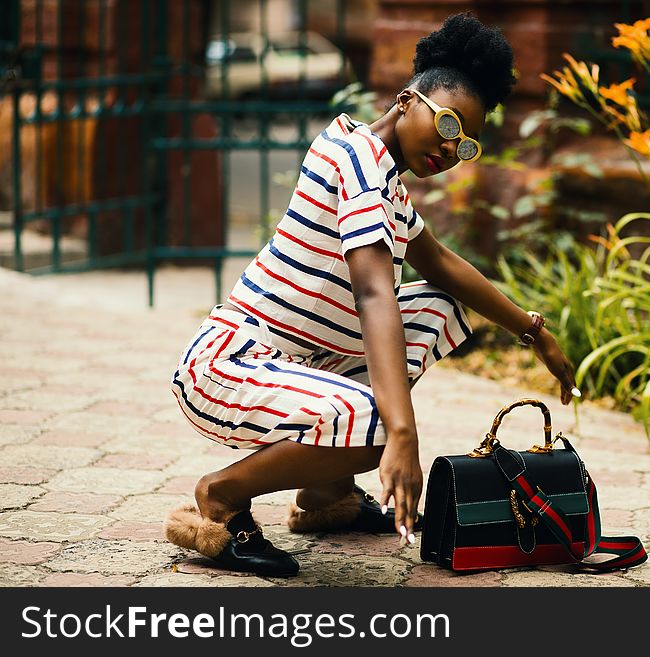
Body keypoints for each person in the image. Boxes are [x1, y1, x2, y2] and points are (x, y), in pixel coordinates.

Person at [163, 12, 579, 577]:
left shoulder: (384, 180)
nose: (452, 149)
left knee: (438, 305)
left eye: (467, 145)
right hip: (230, 364)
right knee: (378, 423)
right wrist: (402, 434)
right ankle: (220, 497)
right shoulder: (359, 168)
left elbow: (444, 265)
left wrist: (534, 332)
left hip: (296, 361)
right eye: (450, 126)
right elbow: (374, 293)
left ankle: (327, 491)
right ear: (408, 100)